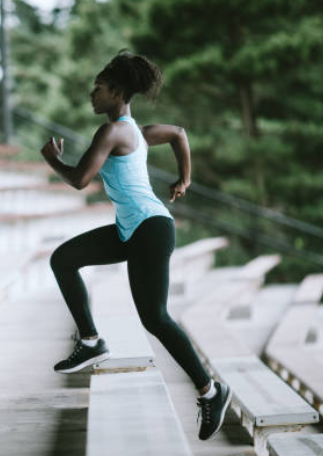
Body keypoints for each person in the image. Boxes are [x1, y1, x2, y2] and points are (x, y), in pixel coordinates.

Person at [39, 50, 232, 441]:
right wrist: (184, 179)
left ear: (116, 91)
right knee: (64, 259)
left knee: (155, 317)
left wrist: (52, 160)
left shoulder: (113, 133)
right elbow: (179, 133)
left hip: (149, 228)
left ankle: (211, 390)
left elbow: (79, 179)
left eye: (98, 89)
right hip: (134, 228)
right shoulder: (137, 133)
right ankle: (91, 341)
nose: (92, 94)